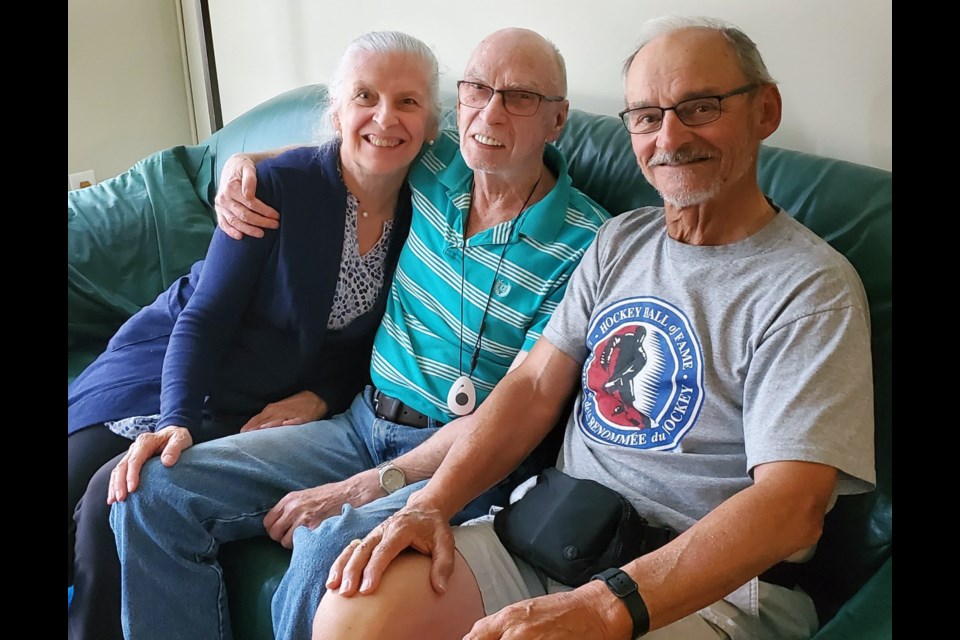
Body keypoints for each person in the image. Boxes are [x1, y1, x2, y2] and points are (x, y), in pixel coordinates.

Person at [313, 15, 877, 640]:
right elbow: (530, 387)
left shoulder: (810, 288)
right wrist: (428, 505)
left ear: (763, 110)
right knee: (355, 608)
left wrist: (606, 606)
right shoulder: (620, 241)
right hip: (552, 536)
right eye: (645, 115)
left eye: (700, 106)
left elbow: (791, 509)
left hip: (709, 593)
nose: (669, 136)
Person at [110, 27, 611, 640]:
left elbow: (518, 410)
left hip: (456, 459)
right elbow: (357, 144)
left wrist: (365, 487)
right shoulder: (435, 164)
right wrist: (245, 168)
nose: (491, 111)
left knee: (330, 555)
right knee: (153, 491)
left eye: (521, 97)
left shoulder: (586, 244)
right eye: (477, 89)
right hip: (357, 422)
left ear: (556, 120)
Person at [66, 30, 441, 640]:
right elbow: (203, 318)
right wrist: (175, 417)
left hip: (256, 396)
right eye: (364, 96)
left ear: (432, 124)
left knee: (112, 499)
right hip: (170, 360)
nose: (384, 117)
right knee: (85, 474)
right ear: (337, 111)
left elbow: (375, 347)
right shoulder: (277, 189)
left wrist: (321, 397)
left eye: (407, 102)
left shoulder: (432, 207)